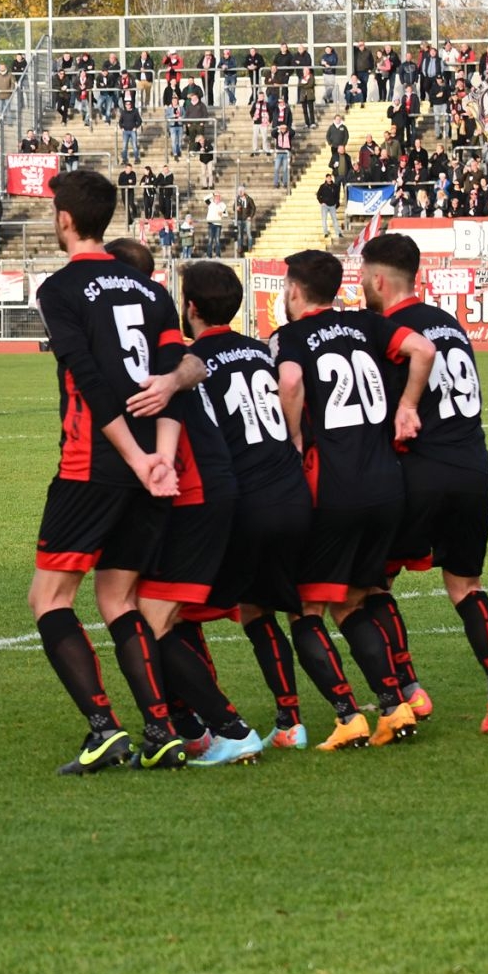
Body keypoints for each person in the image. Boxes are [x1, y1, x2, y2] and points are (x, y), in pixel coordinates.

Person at [29, 170, 205, 774]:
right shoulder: (150, 290)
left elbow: (92, 383)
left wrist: (134, 458)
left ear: (65, 219)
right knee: (118, 598)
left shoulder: (59, 290)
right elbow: (172, 380)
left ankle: (104, 727)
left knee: (49, 598)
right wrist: (160, 459)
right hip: (153, 466)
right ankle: (161, 730)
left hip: (91, 464)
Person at [104, 239, 262, 767]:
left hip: (195, 490)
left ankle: (231, 729)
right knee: (161, 615)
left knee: (148, 619)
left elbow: (193, 366)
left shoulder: (146, 325)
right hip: (189, 489)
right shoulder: (150, 324)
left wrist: (171, 381)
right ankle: (190, 728)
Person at [272, 249, 435, 751]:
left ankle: (347, 715)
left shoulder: (290, 337)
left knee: (305, 609)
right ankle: (394, 705)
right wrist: (406, 406)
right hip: (386, 484)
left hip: (335, 487)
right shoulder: (366, 323)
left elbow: (293, 380)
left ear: (296, 292)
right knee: (352, 602)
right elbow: (423, 349)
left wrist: (295, 439)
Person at [360, 233, 488, 735]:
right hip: (473, 465)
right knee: (466, 585)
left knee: (372, 584)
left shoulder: (389, 330)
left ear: (379, 279)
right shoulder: (450, 325)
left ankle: (409, 689)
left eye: (364, 277)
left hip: (420, 470)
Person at [181, 262, 314, 749]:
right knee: (271, 608)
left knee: (180, 614)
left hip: (244, 500)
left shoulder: (192, 360)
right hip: (291, 491)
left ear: (191, 307)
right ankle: (292, 721)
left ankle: (205, 722)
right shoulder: (262, 350)